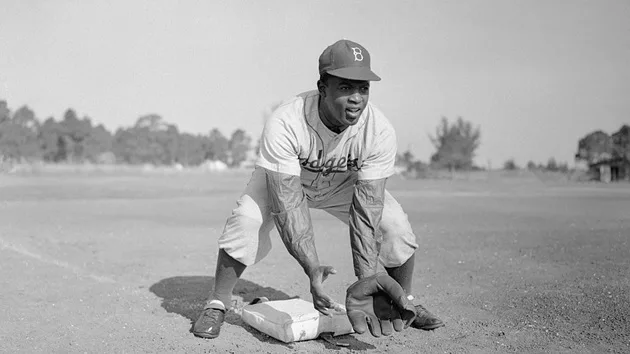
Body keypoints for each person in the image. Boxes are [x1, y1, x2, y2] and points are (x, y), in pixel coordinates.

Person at [192, 39, 444, 339]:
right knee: (247, 220)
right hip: (285, 180)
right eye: (345, 87)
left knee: (395, 226)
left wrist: (367, 280)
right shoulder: (288, 120)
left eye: (363, 88)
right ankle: (218, 302)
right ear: (322, 87)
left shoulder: (378, 129)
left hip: (342, 184)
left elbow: (367, 210)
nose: (356, 99)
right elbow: (288, 204)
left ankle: (405, 301)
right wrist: (311, 267)